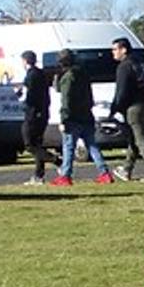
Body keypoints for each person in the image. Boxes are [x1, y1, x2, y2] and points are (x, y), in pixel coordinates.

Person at [50, 50, 112, 186]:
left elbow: (66, 98)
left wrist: (64, 119)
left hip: (72, 118)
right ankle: (104, 173)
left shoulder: (68, 77)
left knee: (69, 147)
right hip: (86, 115)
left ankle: (65, 175)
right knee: (92, 146)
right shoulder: (83, 75)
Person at [108, 35, 144, 181]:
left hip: (134, 107)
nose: (113, 53)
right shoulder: (141, 63)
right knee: (134, 138)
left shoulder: (124, 66)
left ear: (123, 50)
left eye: (115, 49)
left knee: (141, 139)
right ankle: (126, 168)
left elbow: (122, 91)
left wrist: (115, 108)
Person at [19, 50, 53, 184]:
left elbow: (28, 96)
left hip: (33, 114)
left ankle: (55, 160)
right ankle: (39, 175)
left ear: (25, 61)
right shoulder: (41, 74)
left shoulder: (31, 76)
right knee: (38, 144)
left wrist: (18, 94)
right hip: (43, 112)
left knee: (29, 144)